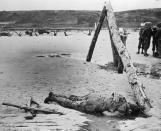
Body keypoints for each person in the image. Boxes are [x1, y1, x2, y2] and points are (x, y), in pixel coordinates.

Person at [44, 92, 142, 115]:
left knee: (76, 98)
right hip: (95, 105)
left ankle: (56, 94)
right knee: (73, 104)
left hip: (96, 96)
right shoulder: (123, 108)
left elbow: (113, 94)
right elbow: (112, 114)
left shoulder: (122, 98)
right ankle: (54, 98)